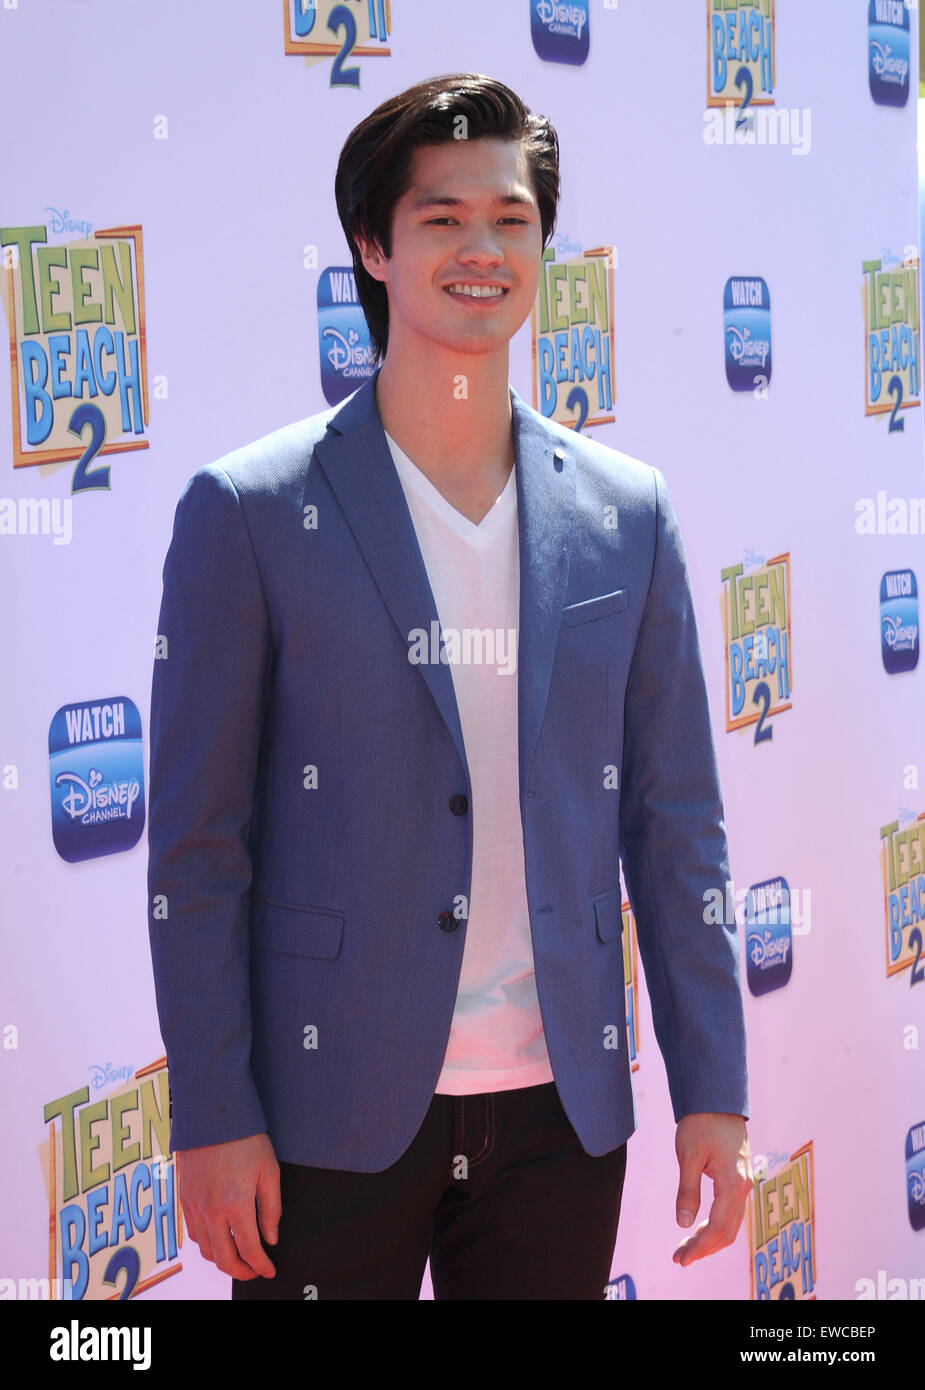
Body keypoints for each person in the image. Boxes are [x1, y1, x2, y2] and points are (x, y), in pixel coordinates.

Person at [146, 72, 752, 1301]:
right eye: (440, 219)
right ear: (372, 246)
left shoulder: (627, 514)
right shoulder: (251, 512)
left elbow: (676, 826)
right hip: (324, 1120)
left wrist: (714, 1092)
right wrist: (212, 1112)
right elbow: (200, 850)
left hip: (560, 1115)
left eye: (511, 219)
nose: (481, 249)